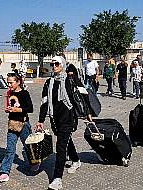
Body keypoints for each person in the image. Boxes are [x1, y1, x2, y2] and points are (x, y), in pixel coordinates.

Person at [36, 56, 90, 190]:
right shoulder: (49, 82)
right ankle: (76, 160)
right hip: (55, 118)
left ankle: (57, 178)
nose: (54, 66)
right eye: (52, 64)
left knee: (60, 146)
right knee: (66, 140)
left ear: (63, 64)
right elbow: (44, 102)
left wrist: (88, 113)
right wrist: (41, 120)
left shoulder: (71, 79)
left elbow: (84, 96)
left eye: (57, 64)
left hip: (68, 117)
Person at [0, 72, 34, 182]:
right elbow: (10, 106)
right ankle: (4, 172)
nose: (9, 84)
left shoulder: (25, 93)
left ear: (18, 82)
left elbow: (30, 109)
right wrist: (8, 109)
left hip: (24, 124)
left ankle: (35, 162)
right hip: (12, 124)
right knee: (10, 149)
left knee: (28, 147)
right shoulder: (9, 93)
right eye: (8, 82)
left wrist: (18, 110)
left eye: (11, 82)